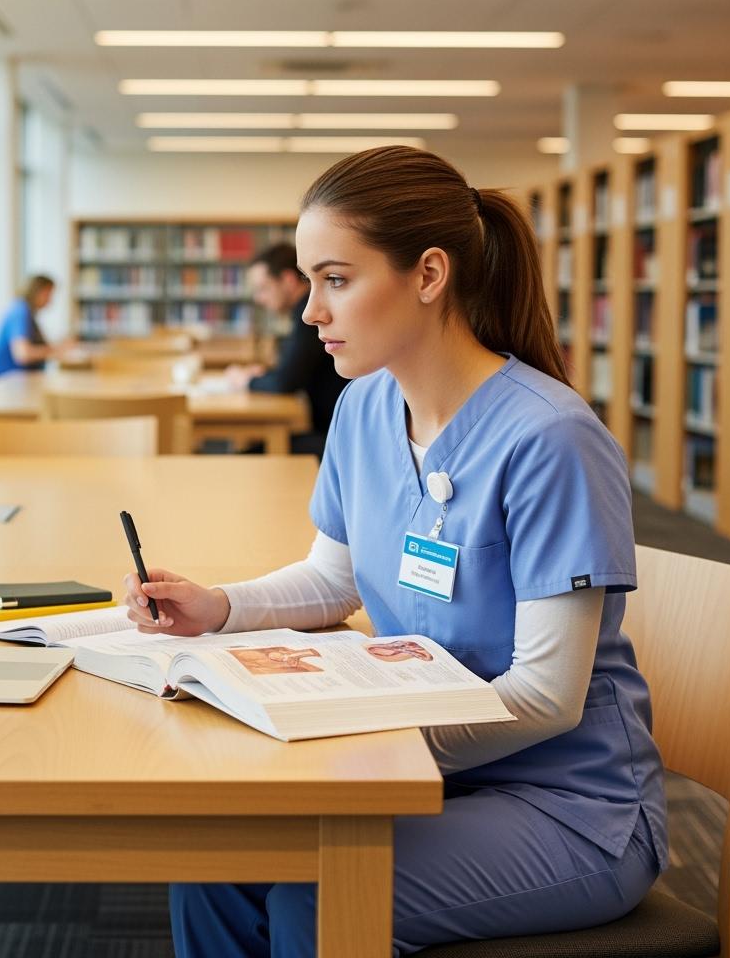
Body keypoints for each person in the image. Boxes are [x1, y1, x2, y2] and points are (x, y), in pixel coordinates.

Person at [123, 145, 667, 957]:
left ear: (428, 275)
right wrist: (219, 606)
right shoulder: (364, 409)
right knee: (214, 857)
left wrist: (371, 744)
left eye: (336, 279)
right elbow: (333, 577)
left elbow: (550, 697)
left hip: (568, 806)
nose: (310, 312)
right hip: (432, 768)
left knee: (319, 897)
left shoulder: (550, 439)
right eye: (309, 281)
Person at [226, 243, 349, 457]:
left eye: (263, 288)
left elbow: (285, 382)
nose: (258, 298)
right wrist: (263, 375)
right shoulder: (303, 314)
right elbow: (290, 371)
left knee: (240, 460)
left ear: (288, 280)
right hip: (330, 431)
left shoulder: (308, 318)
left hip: (333, 440)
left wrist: (246, 381)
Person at [0, 274, 72, 378]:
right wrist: (55, 350)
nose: (50, 300)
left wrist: (56, 347)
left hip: (20, 377)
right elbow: (23, 354)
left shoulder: (26, 311)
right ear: (38, 292)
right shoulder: (20, 312)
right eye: (48, 294)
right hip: (10, 379)